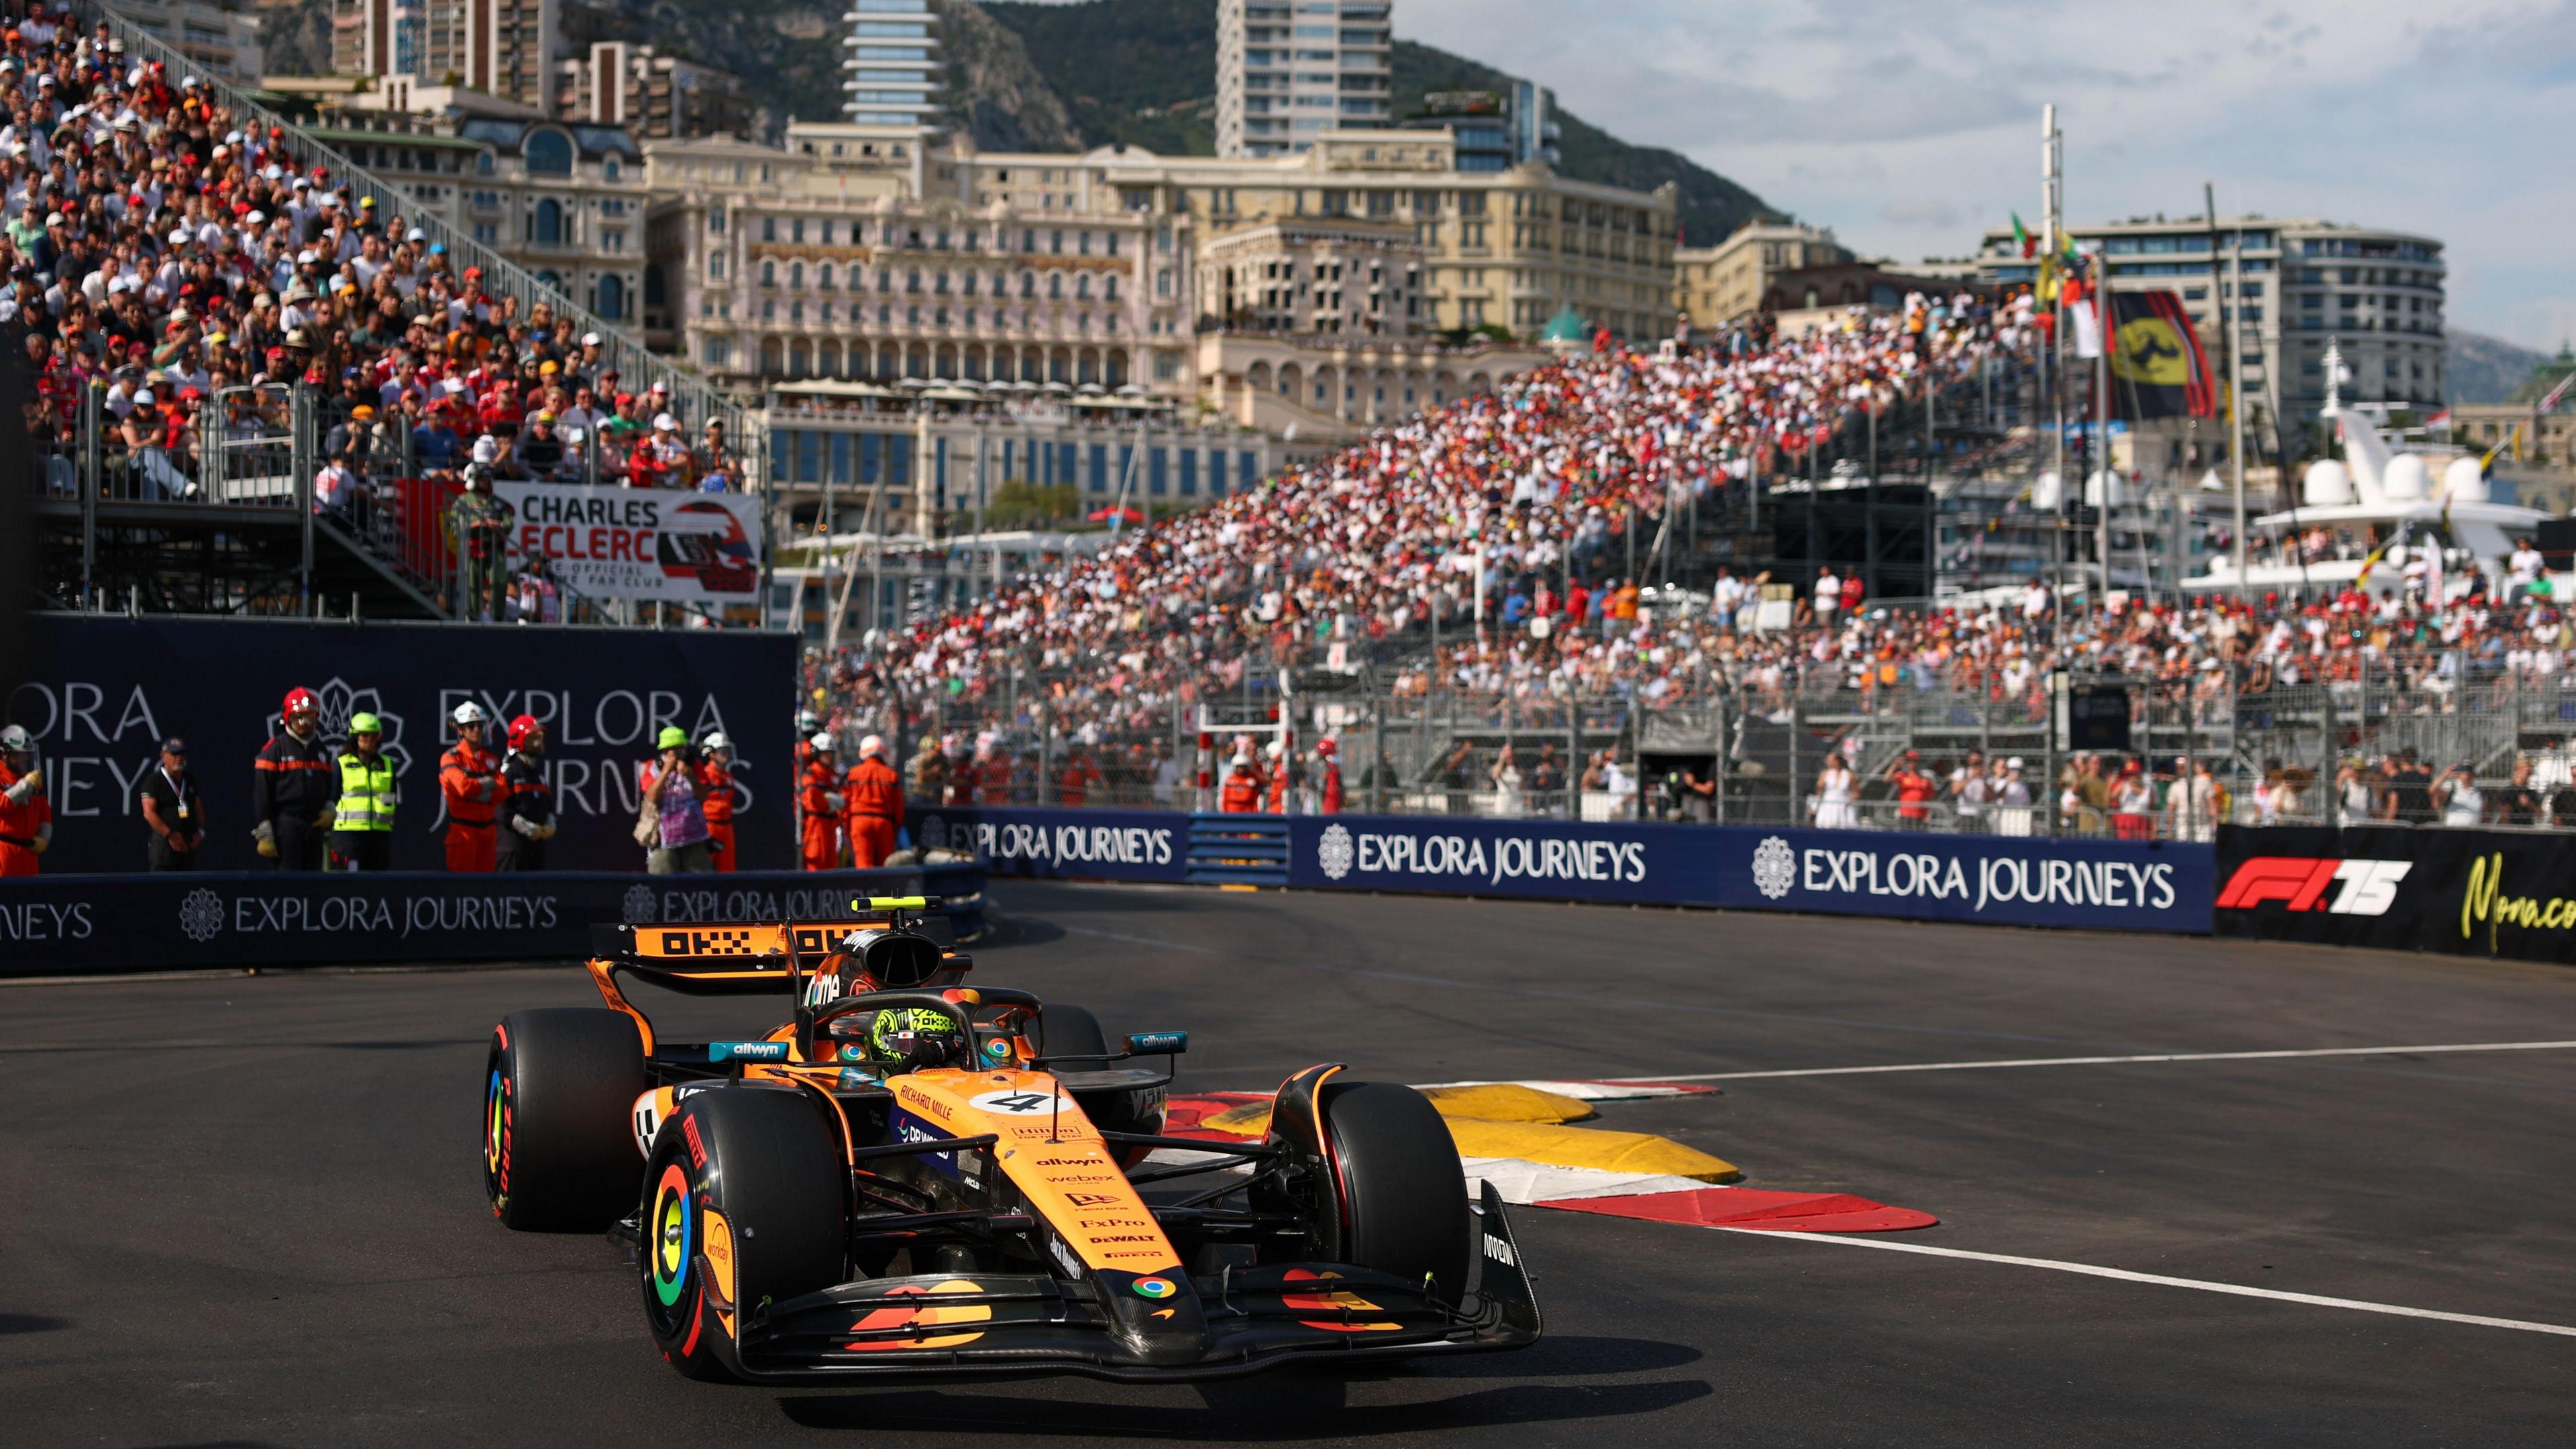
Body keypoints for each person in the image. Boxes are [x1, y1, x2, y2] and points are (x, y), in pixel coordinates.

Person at [253, 687, 337, 871]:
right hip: (286, 824)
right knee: (288, 878)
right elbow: (262, 793)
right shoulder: (274, 750)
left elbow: (330, 785)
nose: (303, 722)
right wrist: (265, 830)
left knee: (314, 877)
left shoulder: (321, 750)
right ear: (286, 718)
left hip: (315, 823)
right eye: (297, 717)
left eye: (309, 717)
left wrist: (330, 808)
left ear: (316, 718)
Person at [327, 712, 398, 871]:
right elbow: (331, 798)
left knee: (378, 885)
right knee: (349, 884)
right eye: (365, 736)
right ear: (354, 737)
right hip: (348, 835)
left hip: (379, 835)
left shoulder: (387, 764)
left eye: (374, 736)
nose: (370, 740)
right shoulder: (341, 764)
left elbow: (392, 796)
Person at [438, 702, 502, 872]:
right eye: (470, 726)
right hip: (463, 832)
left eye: (480, 725)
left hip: (488, 833)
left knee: (488, 887)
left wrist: (478, 792)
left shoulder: (491, 759)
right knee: (462, 887)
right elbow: (463, 788)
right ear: (460, 730)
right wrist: (489, 784)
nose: (476, 730)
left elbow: (503, 791)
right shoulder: (451, 758)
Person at [644, 725, 716, 873]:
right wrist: (666, 771)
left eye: (682, 748)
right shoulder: (651, 768)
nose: (680, 753)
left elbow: (704, 796)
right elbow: (651, 797)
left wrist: (691, 776)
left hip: (694, 838)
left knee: (700, 883)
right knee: (663, 884)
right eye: (675, 750)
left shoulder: (694, 765)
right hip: (663, 840)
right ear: (665, 750)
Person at [447, 465, 515, 621]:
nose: (486, 482)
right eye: (482, 479)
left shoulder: (496, 502)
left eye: (488, 479)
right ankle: (473, 616)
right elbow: (455, 526)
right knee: (472, 585)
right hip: (472, 549)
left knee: (500, 581)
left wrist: (499, 525)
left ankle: (498, 616)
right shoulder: (463, 501)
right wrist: (476, 525)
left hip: (494, 547)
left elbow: (508, 522)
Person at [496, 714, 557, 871]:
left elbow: (548, 805)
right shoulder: (509, 772)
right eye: (532, 738)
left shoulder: (537, 774)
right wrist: (527, 828)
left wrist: (550, 823)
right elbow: (502, 810)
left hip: (536, 850)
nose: (538, 742)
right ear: (519, 740)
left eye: (540, 737)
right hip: (513, 850)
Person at [139, 737, 204, 871]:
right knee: (163, 888)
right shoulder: (154, 781)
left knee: (187, 888)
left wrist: (199, 831)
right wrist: (170, 835)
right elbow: (149, 813)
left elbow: (197, 807)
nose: (179, 758)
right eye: (174, 754)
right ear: (163, 756)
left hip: (187, 846)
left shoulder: (189, 779)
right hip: (165, 846)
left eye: (181, 754)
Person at [845, 734, 904, 870]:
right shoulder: (891, 775)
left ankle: (866, 890)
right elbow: (898, 806)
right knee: (886, 865)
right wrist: (896, 826)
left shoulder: (853, 774)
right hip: (884, 823)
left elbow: (845, 803)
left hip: (859, 822)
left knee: (863, 865)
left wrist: (847, 825)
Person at [0, 724, 52, 875]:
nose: (24, 759)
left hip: (28, 855)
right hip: (4, 853)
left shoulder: (31, 780)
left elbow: (44, 813)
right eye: (18, 755)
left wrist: (44, 837)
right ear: (4, 754)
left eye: (26, 755)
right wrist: (24, 787)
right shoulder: (23, 781)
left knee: (30, 896)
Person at [696, 731, 741, 871]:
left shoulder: (728, 777)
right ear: (711, 754)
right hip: (709, 827)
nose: (726, 754)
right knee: (703, 867)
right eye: (722, 751)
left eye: (727, 750)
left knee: (728, 869)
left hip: (727, 828)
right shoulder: (704, 775)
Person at [799, 733, 845, 871]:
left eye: (831, 753)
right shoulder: (811, 773)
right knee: (816, 861)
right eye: (825, 753)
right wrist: (831, 803)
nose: (829, 757)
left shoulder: (833, 775)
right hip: (816, 825)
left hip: (832, 826)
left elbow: (843, 797)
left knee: (832, 864)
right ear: (817, 753)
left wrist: (830, 799)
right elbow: (814, 799)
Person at [1888, 751, 1935, 831]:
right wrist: (1895, 765)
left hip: (1920, 815)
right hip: (1906, 814)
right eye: (1909, 760)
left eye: (1914, 760)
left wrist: (1929, 814)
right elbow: (1887, 779)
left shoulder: (1925, 779)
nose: (1912, 763)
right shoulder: (1902, 775)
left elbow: (1930, 798)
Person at [1813, 754, 1858, 830]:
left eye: (1829, 760)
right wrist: (1815, 805)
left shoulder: (1849, 774)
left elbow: (1856, 793)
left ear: (1837, 762)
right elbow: (1819, 791)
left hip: (1843, 806)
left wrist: (1848, 802)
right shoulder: (1825, 774)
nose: (1827, 762)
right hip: (1828, 806)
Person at [1220, 739, 1263, 813]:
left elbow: (1255, 800)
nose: (1241, 769)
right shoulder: (1230, 780)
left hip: (1247, 812)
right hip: (1232, 811)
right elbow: (1225, 799)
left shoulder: (1251, 781)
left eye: (1243, 767)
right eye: (1239, 767)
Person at [1316, 737, 1345, 815]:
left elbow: (1332, 790)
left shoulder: (1331, 768)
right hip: (1328, 803)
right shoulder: (1328, 767)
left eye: (1319, 751)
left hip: (1330, 804)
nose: (1318, 754)